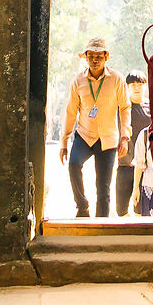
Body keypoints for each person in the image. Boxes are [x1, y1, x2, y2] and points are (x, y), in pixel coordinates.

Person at [59, 36, 129, 218]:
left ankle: (102, 227)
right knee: (74, 164)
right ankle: (82, 206)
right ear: (86, 57)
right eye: (91, 56)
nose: (95, 60)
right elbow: (70, 112)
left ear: (106, 57)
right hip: (84, 135)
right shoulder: (78, 81)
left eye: (99, 56)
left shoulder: (116, 79)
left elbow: (125, 108)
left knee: (103, 190)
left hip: (108, 139)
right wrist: (64, 141)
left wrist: (124, 137)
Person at [116, 70, 149, 217]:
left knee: (140, 212)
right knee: (121, 211)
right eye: (133, 84)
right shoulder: (122, 108)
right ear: (127, 87)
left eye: (140, 84)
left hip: (145, 169)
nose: (136, 87)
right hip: (125, 165)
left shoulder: (151, 108)